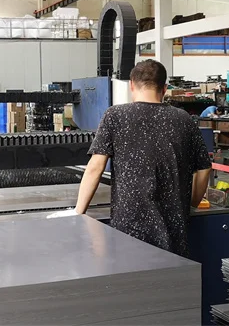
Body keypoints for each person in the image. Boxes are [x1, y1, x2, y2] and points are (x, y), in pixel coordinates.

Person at [53, 60, 212, 257]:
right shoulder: (183, 119)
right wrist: (191, 204)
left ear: (131, 85)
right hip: (174, 231)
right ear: (164, 88)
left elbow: (95, 167)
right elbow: (204, 168)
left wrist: (79, 212)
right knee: (171, 275)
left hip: (128, 229)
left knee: (131, 273)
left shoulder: (115, 115)